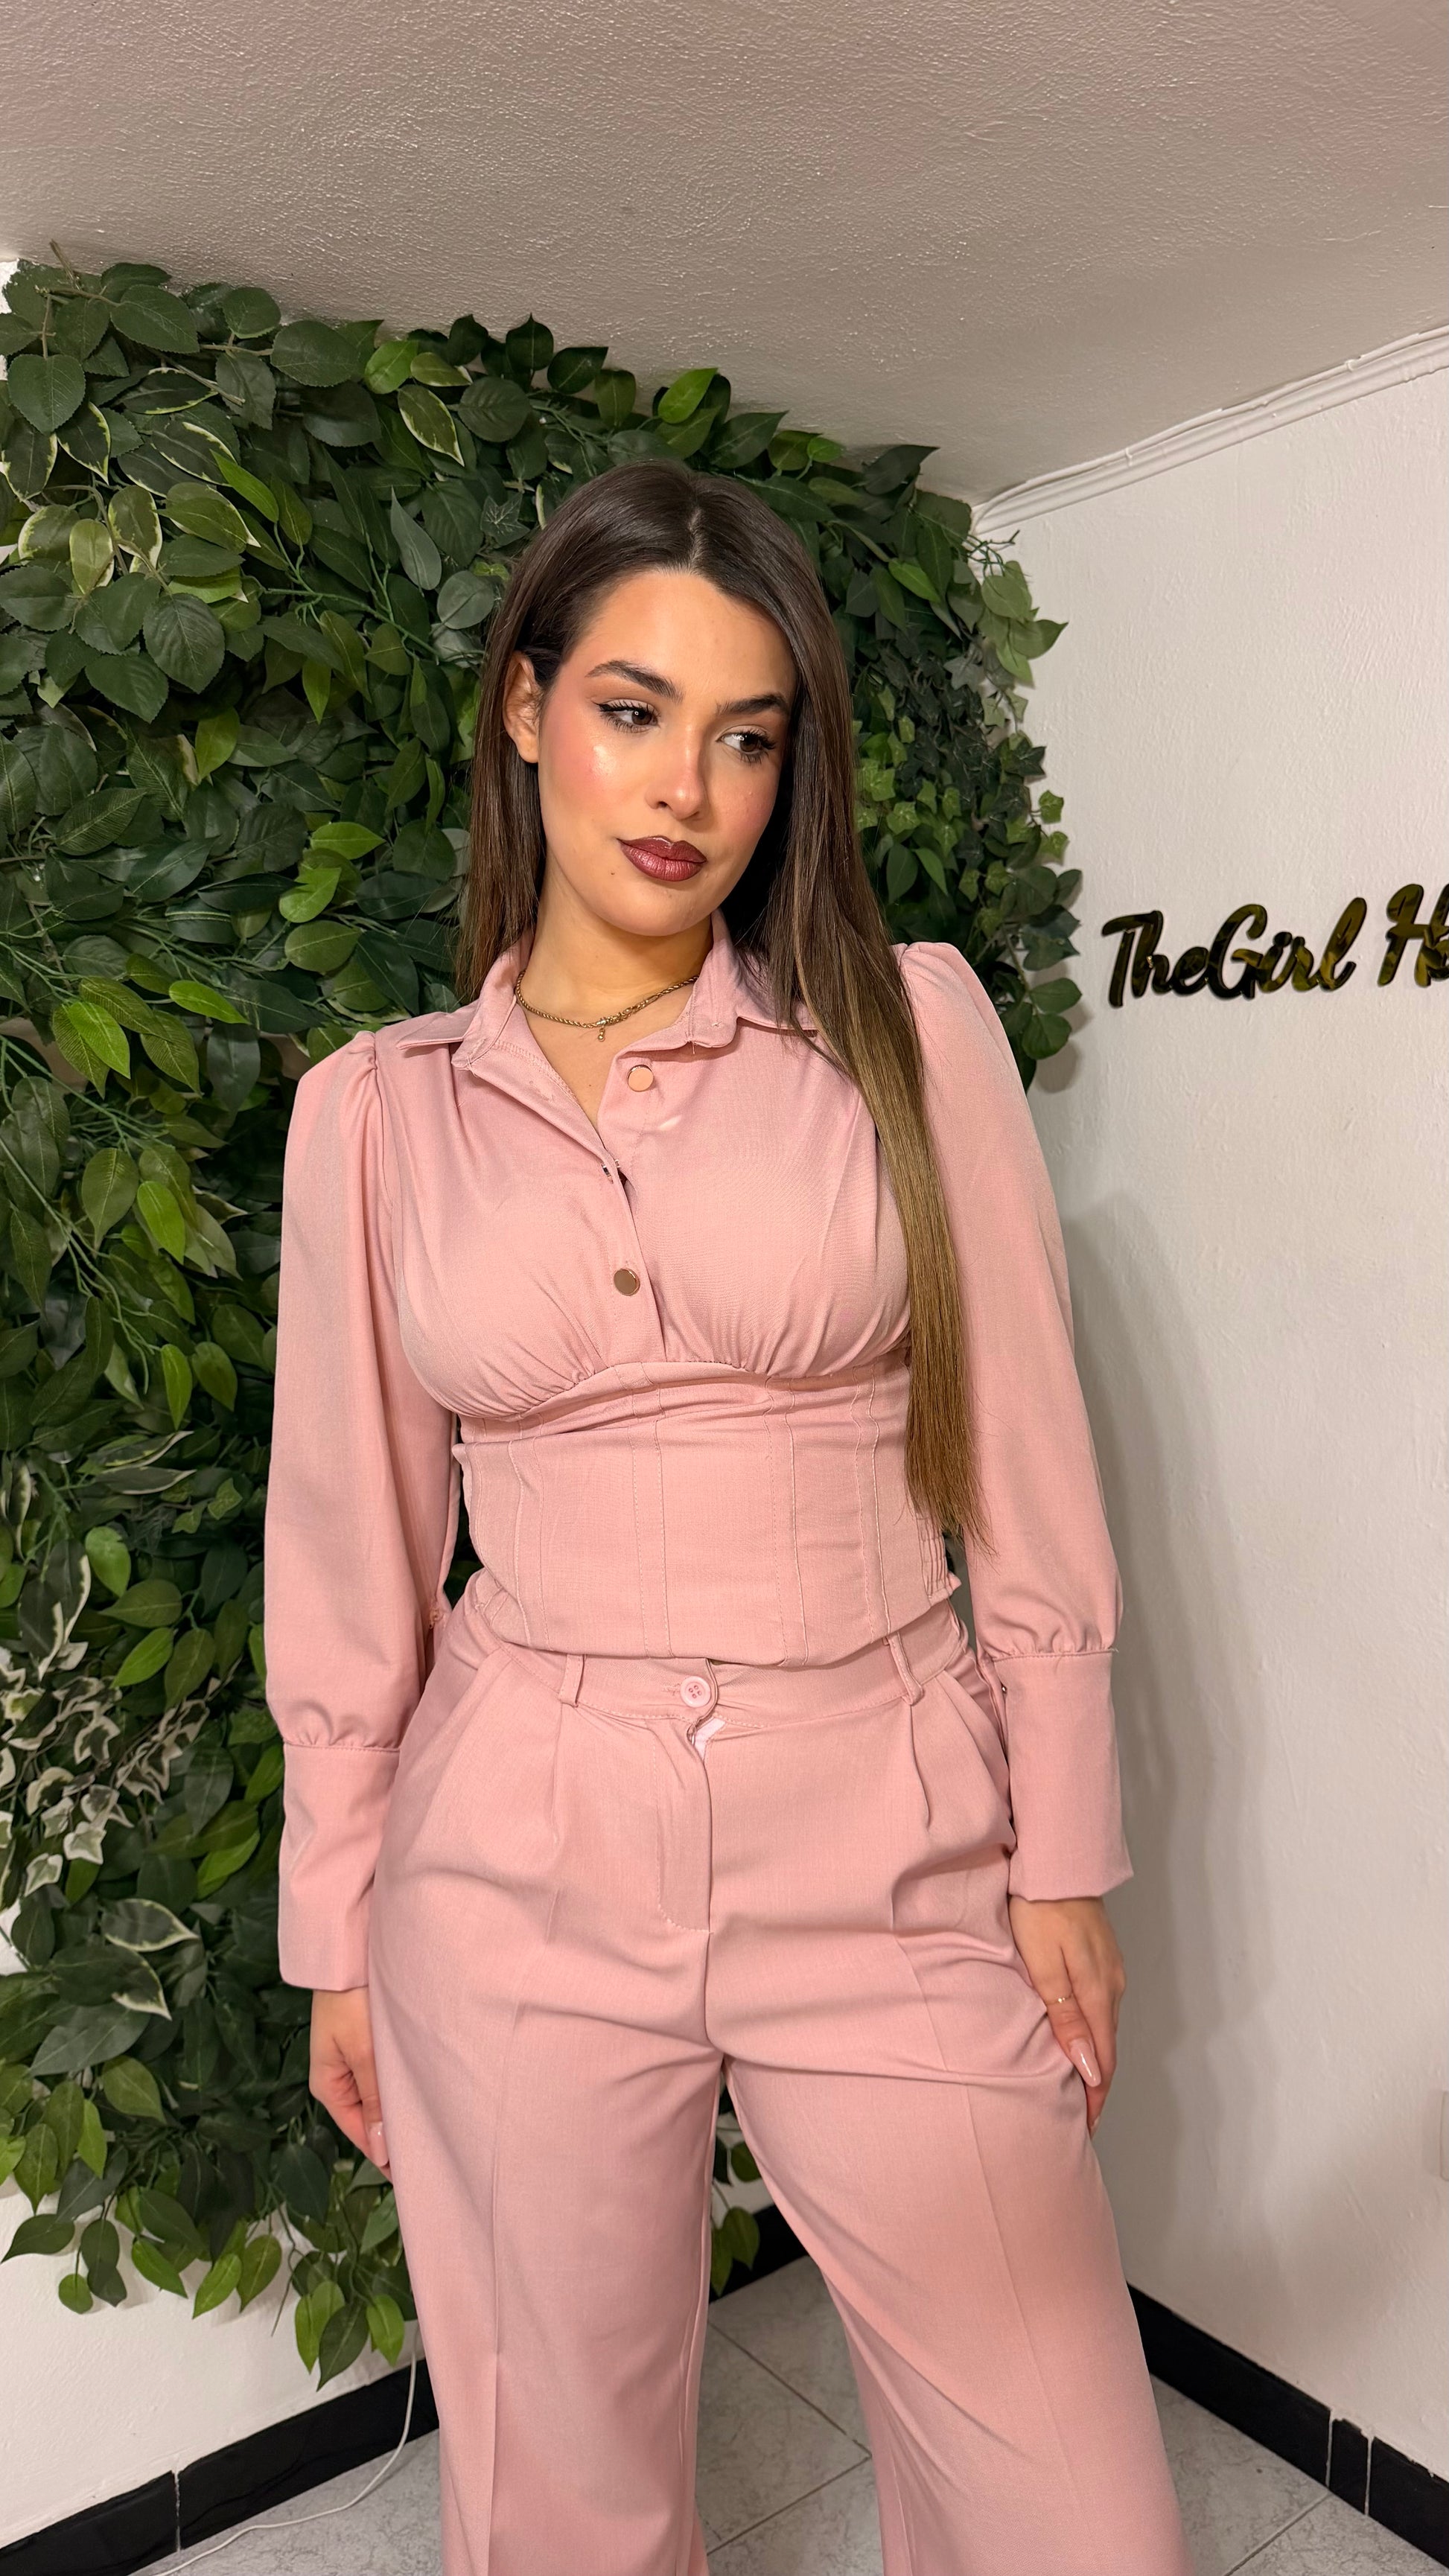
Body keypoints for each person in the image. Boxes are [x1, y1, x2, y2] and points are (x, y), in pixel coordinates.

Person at [263, 457, 1192, 2576]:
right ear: (526, 710)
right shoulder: (379, 1114)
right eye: (632, 709)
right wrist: (338, 1928)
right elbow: (349, 1553)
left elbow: (1026, 1461)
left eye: (748, 736)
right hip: (514, 1851)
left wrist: (1060, 1847)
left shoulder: (903, 1029)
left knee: (1075, 2509)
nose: (688, 785)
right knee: (559, 2506)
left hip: (887, 1825)